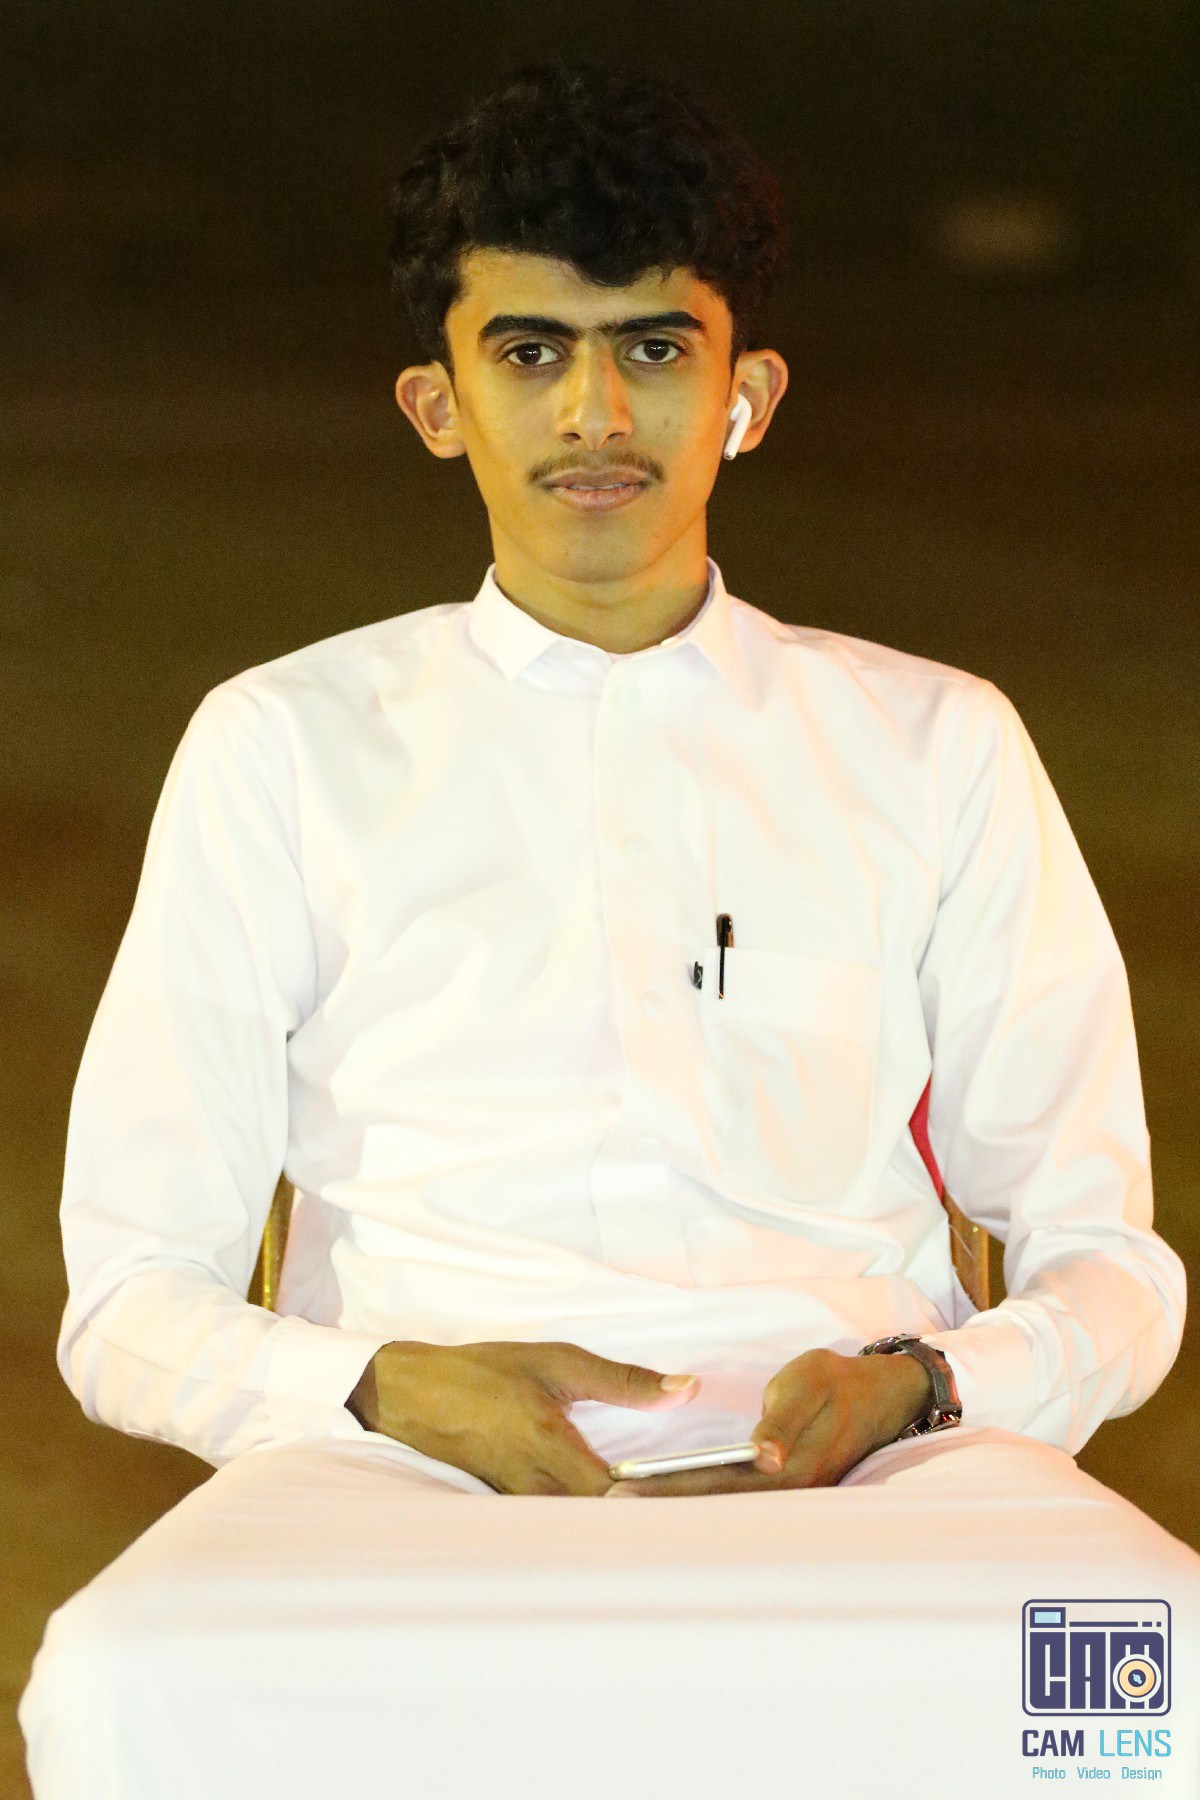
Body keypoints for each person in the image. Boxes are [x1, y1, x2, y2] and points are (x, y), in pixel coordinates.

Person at [20, 61, 1198, 1800]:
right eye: (529, 352)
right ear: (437, 404)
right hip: (405, 1474)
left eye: (653, 347)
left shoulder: (932, 743)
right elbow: (129, 1296)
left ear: (747, 395)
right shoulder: (285, 744)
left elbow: (1110, 1264)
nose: (594, 411)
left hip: (872, 1484)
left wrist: (922, 1390)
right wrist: (385, 1392)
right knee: (130, 1677)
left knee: (1157, 1667)